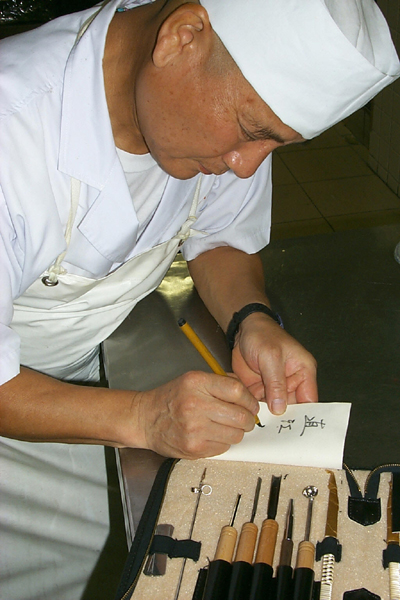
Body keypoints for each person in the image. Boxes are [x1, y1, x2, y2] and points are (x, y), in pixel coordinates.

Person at [0, 0, 399, 598]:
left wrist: (252, 319)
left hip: (100, 368)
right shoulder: (13, 134)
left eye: (274, 145)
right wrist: (144, 418)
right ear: (183, 37)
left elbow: (220, 235)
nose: (246, 168)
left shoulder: (212, 111)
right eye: (251, 132)